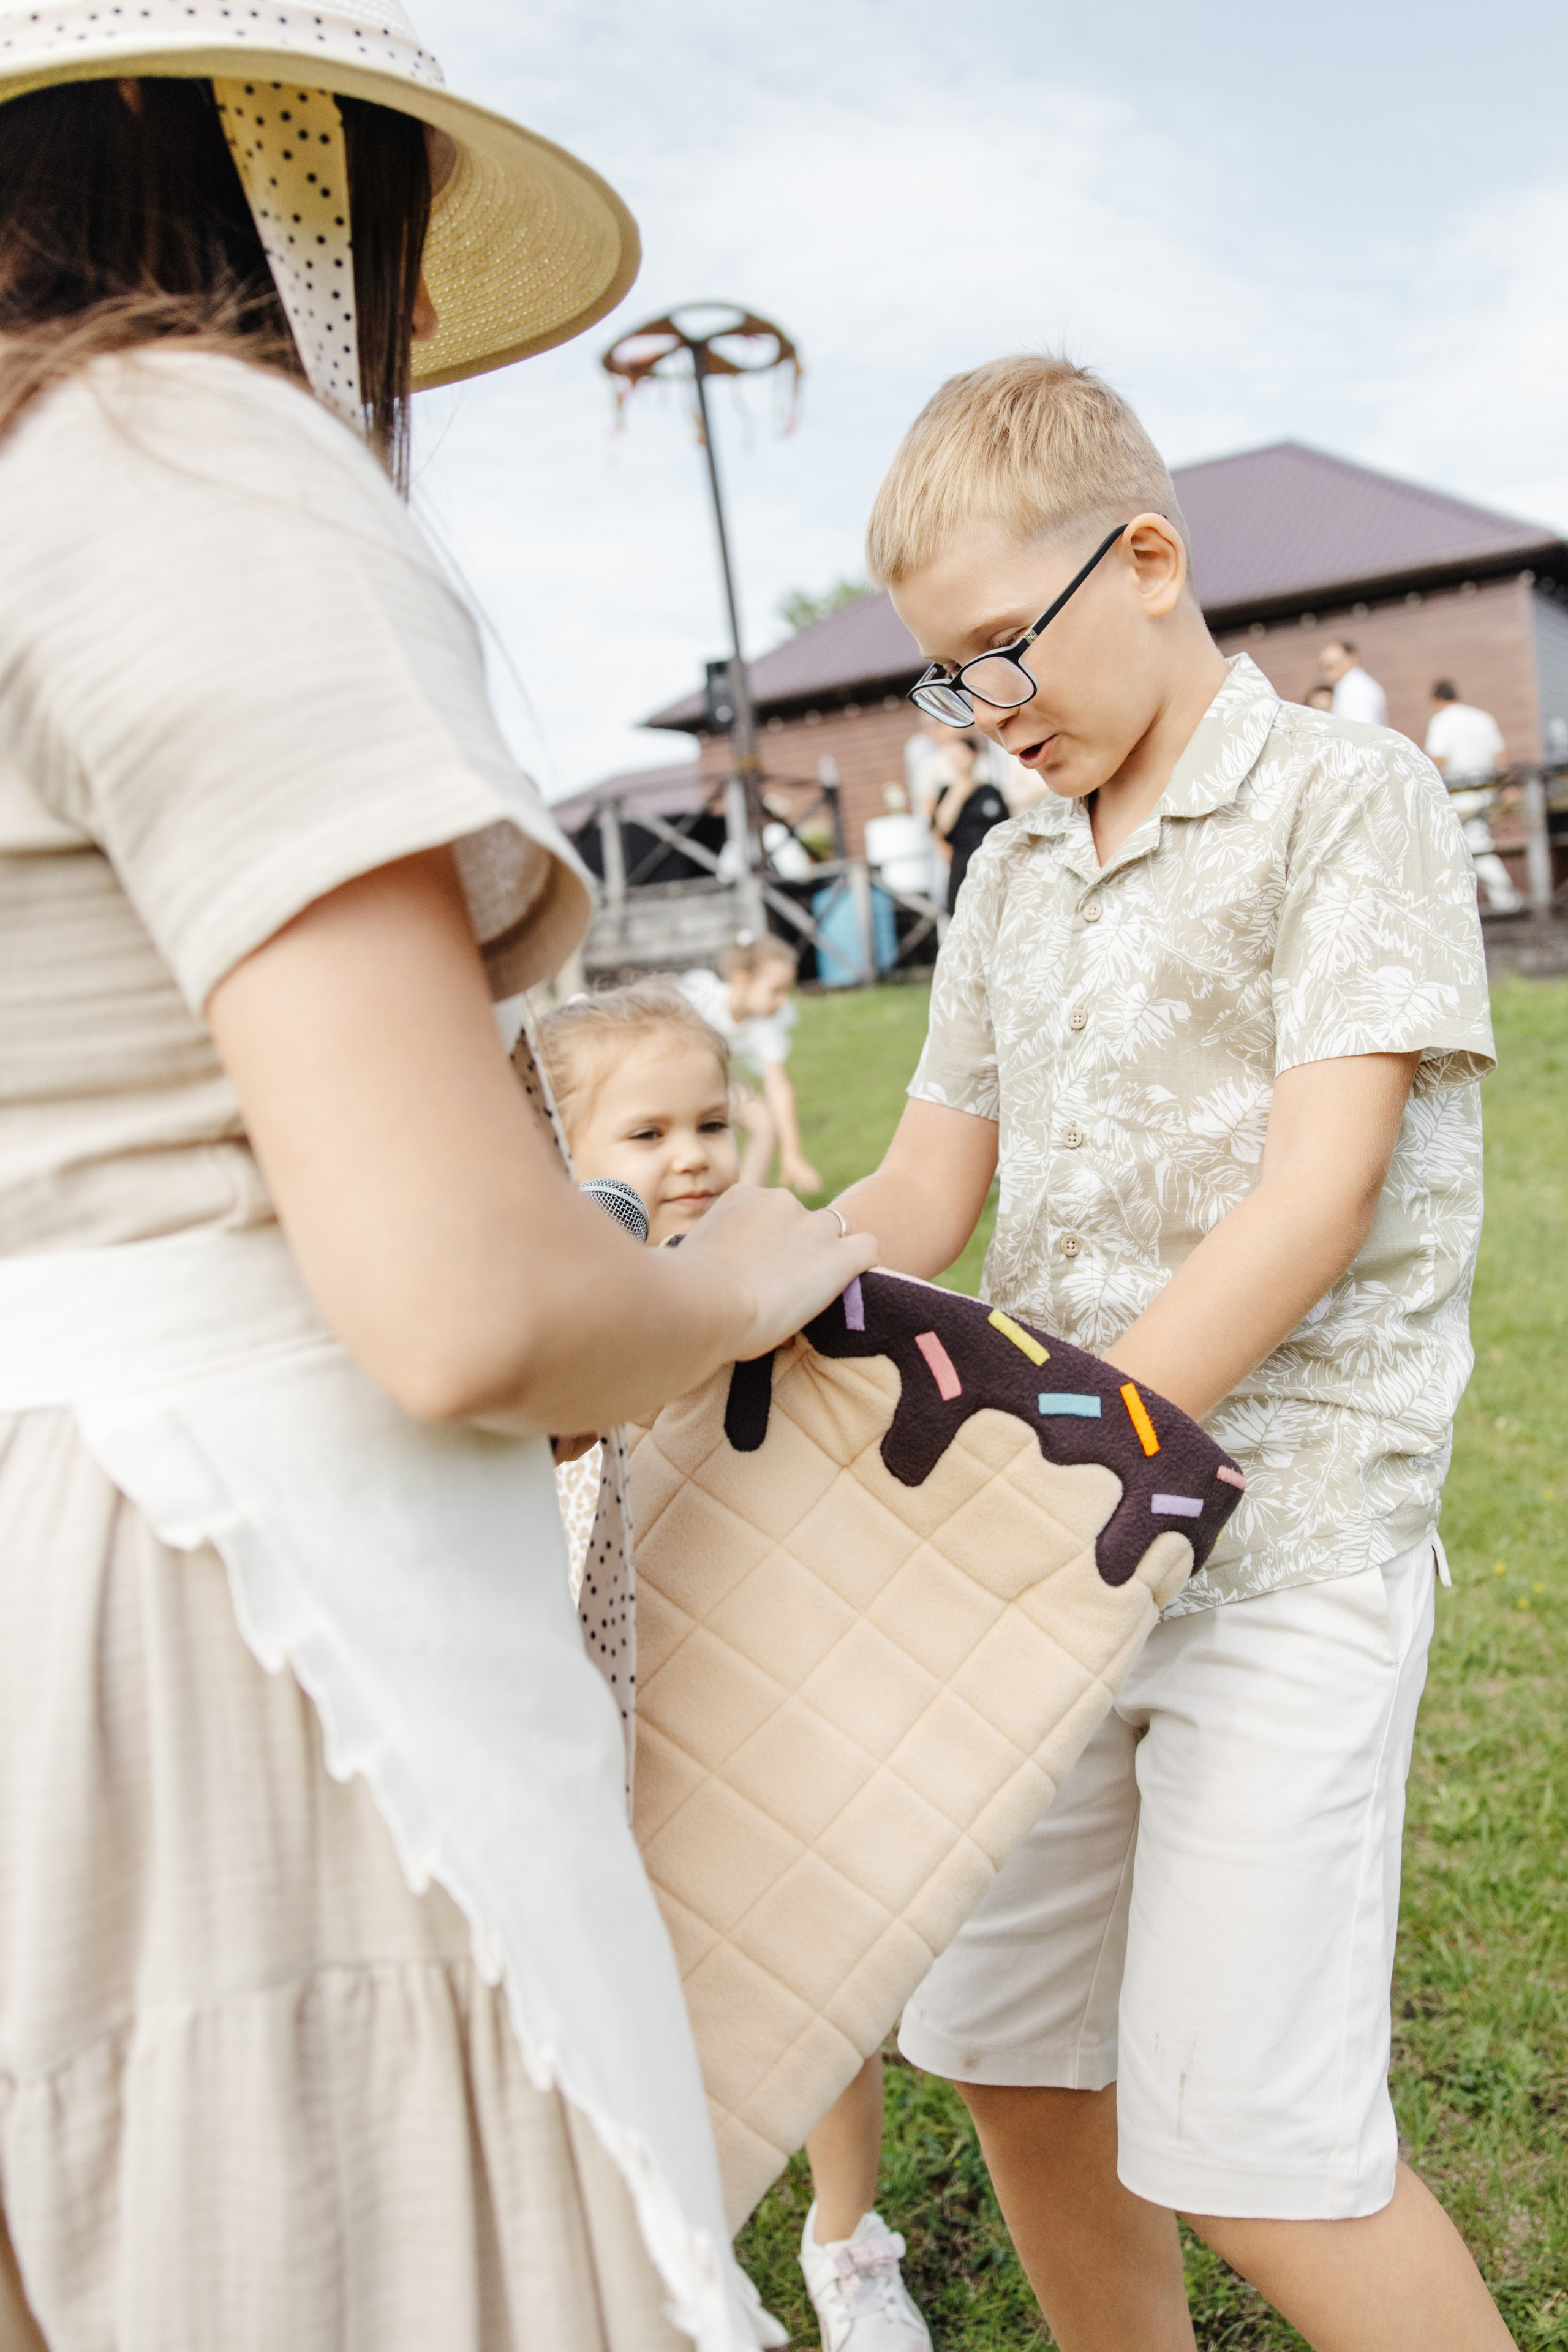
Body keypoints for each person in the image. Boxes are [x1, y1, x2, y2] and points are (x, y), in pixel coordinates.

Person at [0, 20, 876, 2348]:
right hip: (249, 1608)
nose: (386, 308)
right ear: (238, 149)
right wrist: (735, 1278)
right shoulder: (177, 450)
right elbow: (464, 1302)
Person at [831, 355, 1511, 2351]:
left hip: (1277, 1538)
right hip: (1058, 1558)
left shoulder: (1347, 797)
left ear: (1145, 561)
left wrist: (1065, 1440)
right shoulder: (1009, 865)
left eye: (999, 649)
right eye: (946, 676)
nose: (984, 706)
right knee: (1011, 2052)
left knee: (1260, 2150)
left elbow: (1317, 1194)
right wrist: (726, 1281)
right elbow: (922, 1185)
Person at [540, 984, 932, 2352]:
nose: (694, 1157)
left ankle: (848, 2239)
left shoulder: (783, 1277)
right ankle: (667, 2254)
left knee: (811, 1969)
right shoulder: (569, 1316)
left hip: (766, 1681)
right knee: (620, 1994)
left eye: (710, 1123)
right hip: (597, 1707)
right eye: (645, 1135)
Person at [682, 937, 822, 1194]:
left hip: (716, 1081)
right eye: (776, 991)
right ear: (743, 982)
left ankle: (742, 1200)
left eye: (787, 991)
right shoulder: (701, 1000)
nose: (783, 1001)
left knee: (764, 1123)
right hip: (673, 1081)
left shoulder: (766, 1024)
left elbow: (778, 1087)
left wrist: (792, 1154)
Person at [1425, 680, 1525, 914]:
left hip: (1460, 795)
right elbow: (1500, 754)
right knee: (1476, 844)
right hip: (1486, 792)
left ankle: (1505, 898)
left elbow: (1438, 760)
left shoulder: (1441, 721)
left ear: (1437, 699)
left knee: (1474, 846)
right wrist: (1507, 785)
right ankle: (1502, 899)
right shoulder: (1482, 718)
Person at [932, 732, 1012, 910]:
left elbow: (1007, 828)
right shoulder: (946, 792)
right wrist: (958, 792)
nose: (958, 760)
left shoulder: (990, 792)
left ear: (974, 754)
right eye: (953, 756)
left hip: (993, 866)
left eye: (961, 754)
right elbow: (941, 828)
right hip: (963, 867)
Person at [1319, 637, 1389, 725]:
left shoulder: (1357, 687)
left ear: (1352, 659)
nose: (1327, 673)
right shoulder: (1350, 685)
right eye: (1324, 667)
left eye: (1331, 667)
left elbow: (1363, 727)